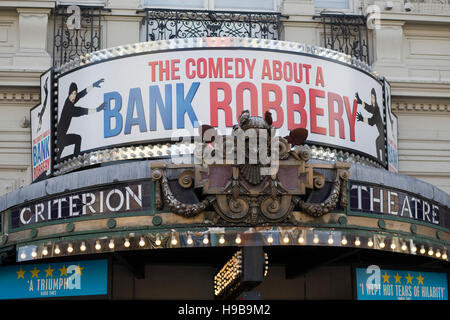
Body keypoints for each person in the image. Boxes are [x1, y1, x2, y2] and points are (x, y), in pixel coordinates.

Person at [57, 78, 106, 161]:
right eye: (72, 94)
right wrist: (97, 109)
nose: (74, 96)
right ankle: (77, 158)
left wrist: (93, 85)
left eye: (75, 93)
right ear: (69, 93)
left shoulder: (69, 99)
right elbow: (82, 111)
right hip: (60, 138)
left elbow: (81, 94)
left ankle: (65, 158)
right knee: (77, 138)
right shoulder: (69, 107)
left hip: (60, 137)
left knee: (59, 155)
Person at [355, 88, 385, 163]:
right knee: (377, 143)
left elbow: (372, 121)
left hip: (382, 135)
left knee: (377, 143)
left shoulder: (377, 109)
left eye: (373, 98)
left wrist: (362, 119)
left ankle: (380, 161)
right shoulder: (374, 108)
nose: (372, 100)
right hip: (381, 135)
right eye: (371, 98)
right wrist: (360, 101)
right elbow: (369, 108)